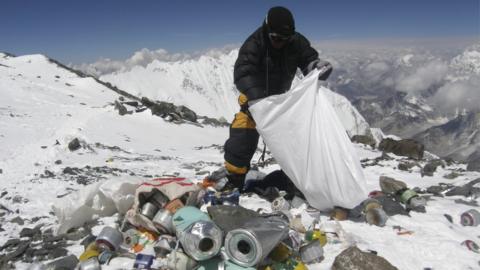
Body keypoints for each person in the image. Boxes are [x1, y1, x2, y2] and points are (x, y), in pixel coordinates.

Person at [209, 6, 333, 189]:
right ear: (267, 30)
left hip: (282, 103)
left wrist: (315, 66)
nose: (280, 42)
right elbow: (243, 73)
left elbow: (308, 58)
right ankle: (234, 182)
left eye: (285, 38)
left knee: (295, 142)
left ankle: (293, 180)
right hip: (254, 103)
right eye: (275, 38)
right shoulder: (254, 43)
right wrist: (259, 100)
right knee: (242, 138)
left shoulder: (296, 42)